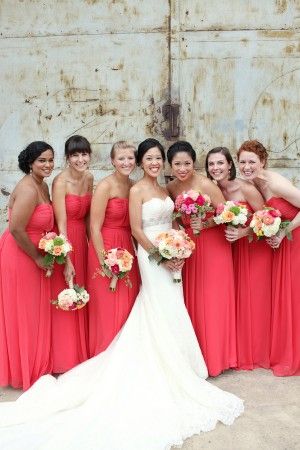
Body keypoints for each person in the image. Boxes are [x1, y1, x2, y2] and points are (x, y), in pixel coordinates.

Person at [0, 138, 243, 450]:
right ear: (131, 162)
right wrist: (158, 255)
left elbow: (174, 219)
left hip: (168, 251)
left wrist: (178, 242)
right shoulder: (135, 189)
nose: (152, 163)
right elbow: (131, 229)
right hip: (150, 253)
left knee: (169, 306)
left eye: (157, 159)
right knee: (156, 304)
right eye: (145, 159)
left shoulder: (165, 188)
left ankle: (179, 362)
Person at [167, 141, 237, 376]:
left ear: (194, 163)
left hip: (213, 245)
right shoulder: (172, 187)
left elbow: (228, 214)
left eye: (187, 163)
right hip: (189, 246)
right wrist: (179, 238)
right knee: (193, 300)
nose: (183, 168)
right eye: (177, 164)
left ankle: (217, 358)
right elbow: (175, 218)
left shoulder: (206, 184)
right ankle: (198, 358)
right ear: (170, 166)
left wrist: (205, 222)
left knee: (213, 300)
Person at [205, 147, 273, 370]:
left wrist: (244, 233)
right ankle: (238, 351)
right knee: (238, 300)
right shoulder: (213, 191)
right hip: (230, 250)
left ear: (229, 165)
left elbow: (268, 219)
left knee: (255, 298)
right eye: (211, 164)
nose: (216, 168)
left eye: (220, 163)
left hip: (254, 246)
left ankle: (258, 352)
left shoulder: (245, 188)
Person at [237, 140, 300, 376]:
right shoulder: (253, 184)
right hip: (284, 242)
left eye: (252, 161)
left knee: (294, 296)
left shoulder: (274, 182)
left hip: (296, 239)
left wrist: (284, 231)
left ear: (262, 161)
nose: (246, 166)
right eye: (242, 162)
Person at [0, 141, 54, 390]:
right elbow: (16, 229)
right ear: (30, 163)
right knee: (24, 312)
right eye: (42, 160)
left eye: (50, 160)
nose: (47, 165)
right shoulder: (29, 189)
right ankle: (24, 370)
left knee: (33, 311)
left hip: (33, 251)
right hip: (22, 254)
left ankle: (34, 363)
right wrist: (37, 257)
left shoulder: (42, 185)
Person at [87, 140, 140, 357]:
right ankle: (104, 355)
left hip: (127, 246)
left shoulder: (133, 185)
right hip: (105, 245)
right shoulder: (105, 186)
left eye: (130, 158)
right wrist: (104, 259)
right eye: (121, 158)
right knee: (108, 305)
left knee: (128, 301)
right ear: (112, 161)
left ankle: (124, 357)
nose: (126, 162)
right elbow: (94, 227)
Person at [51, 135, 93, 373]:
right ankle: (65, 358)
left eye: (84, 154)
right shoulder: (60, 182)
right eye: (75, 155)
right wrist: (66, 259)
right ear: (67, 158)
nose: (80, 159)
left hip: (82, 242)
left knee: (83, 292)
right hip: (66, 241)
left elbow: (87, 217)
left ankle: (82, 353)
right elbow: (61, 225)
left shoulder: (89, 177)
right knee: (68, 289)